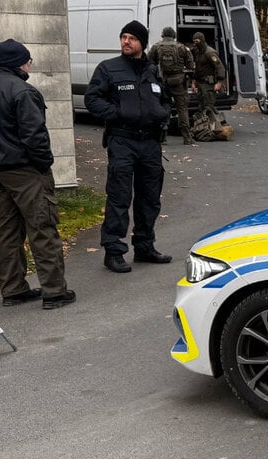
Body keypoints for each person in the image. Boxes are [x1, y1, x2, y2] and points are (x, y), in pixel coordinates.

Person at [0, 39, 76, 310]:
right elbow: (34, 135)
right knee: (42, 226)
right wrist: (44, 163)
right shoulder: (23, 91)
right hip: (25, 169)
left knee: (8, 230)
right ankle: (54, 291)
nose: (30, 64)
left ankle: (13, 288)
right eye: (28, 59)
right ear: (19, 62)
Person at [84, 20, 173, 274]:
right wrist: (116, 113)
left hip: (150, 143)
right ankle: (114, 251)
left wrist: (162, 113)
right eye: (123, 37)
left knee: (149, 198)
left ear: (142, 43)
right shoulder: (109, 69)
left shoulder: (153, 71)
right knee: (119, 196)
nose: (126, 42)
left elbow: (166, 99)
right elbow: (92, 98)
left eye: (132, 38)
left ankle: (145, 246)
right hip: (122, 141)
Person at [149, 27, 197, 145]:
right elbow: (191, 65)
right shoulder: (181, 47)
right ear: (174, 35)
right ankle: (187, 138)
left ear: (162, 35)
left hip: (164, 81)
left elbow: (149, 62)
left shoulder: (156, 47)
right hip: (179, 82)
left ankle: (163, 138)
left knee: (164, 108)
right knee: (182, 109)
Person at [191, 31, 227, 129]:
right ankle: (206, 128)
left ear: (202, 40)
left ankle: (220, 126)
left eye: (197, 41)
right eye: (194, 41)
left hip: (209, 85)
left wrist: (219, 82)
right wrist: (193, 82)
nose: (195, 43)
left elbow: (220, 67)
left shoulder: (210, 52)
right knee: (202, 106)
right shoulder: (198, 52)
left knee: (209, 107)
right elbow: (197, 68)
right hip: (201, 84)